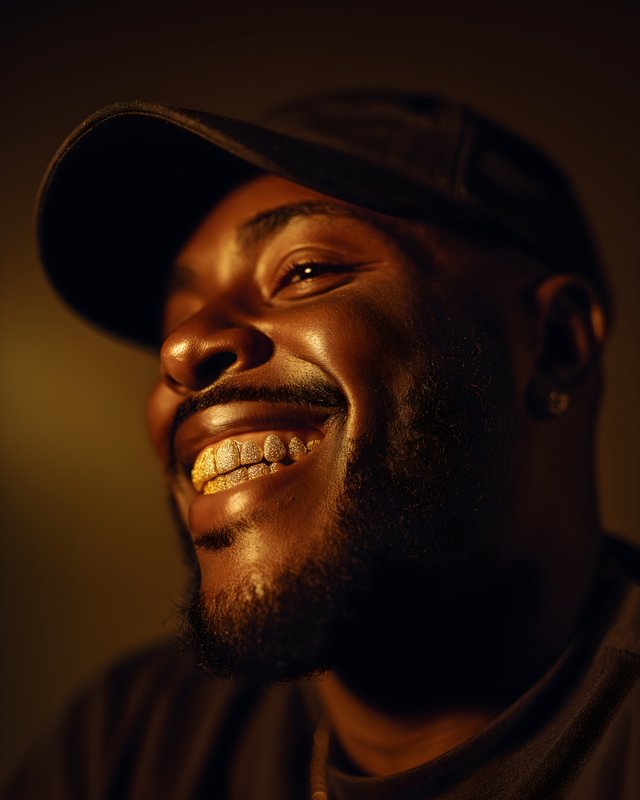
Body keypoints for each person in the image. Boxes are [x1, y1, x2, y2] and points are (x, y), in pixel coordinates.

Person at [4, 91, 639, 799]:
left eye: (305, 272)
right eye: (173, 319)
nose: (182, 347)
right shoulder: (126, 741)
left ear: (554, 345)